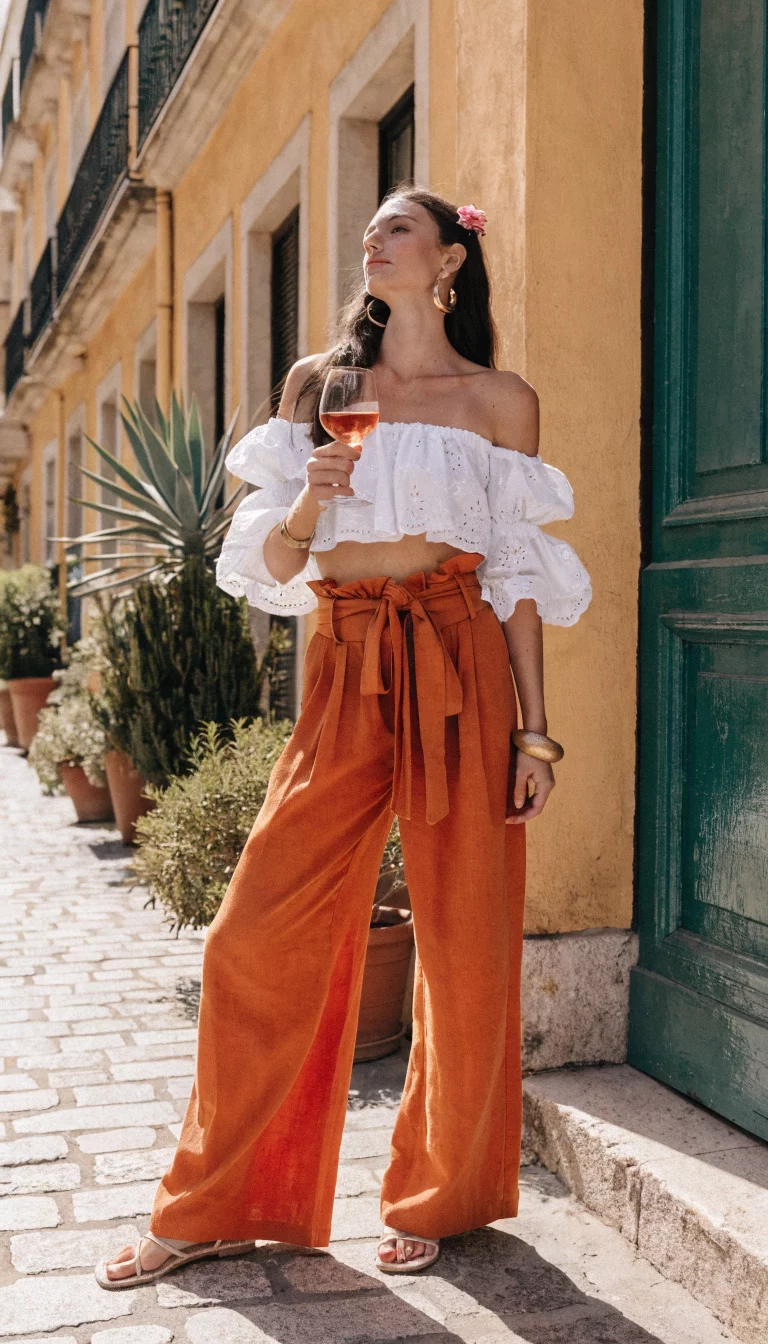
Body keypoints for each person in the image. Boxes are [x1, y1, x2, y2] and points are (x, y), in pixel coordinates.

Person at [97, 185, 591, 1288]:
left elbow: (515, 576)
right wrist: (314, 503)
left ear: (451, 260)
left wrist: (538, 737)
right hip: (348, 659)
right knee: (254, 932)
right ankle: (213, 1203)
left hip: (460, 655)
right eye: (370, 231)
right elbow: (273, 569)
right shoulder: (322, 389)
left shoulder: (501, 401)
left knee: (467, 936)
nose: (373, 241)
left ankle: (440, 1196)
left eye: (398, 227)